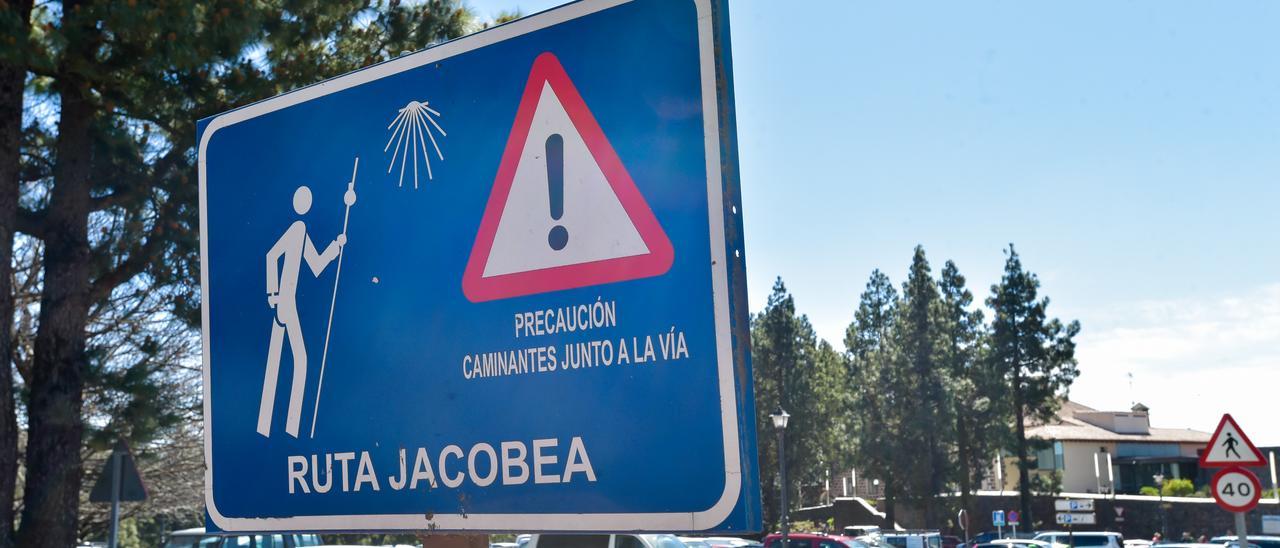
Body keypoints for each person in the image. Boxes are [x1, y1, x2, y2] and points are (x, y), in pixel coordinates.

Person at [257, 185, 350, 438]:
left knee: (278, 362)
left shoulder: (302, 231)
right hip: (284, 302)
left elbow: (317, 265)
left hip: (287, 301)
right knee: (299, 360)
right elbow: (270, 255)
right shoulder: (296, 229)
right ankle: (289, 430)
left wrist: (335, 246)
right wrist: (272, 293)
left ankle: (268, 427)